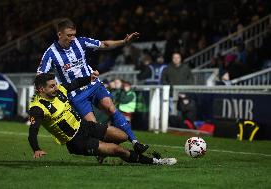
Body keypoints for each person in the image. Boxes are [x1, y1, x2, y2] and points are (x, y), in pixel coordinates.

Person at [37, 18, 148, 154]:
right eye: (69, 35)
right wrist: (47, 93)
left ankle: (135, 142)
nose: (72, 38)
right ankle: (106, 152)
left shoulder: (80, 42)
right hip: (76, 94)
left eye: (74, 35)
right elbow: (40, 75)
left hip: (93, 85)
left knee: (110, 107)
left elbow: (104, 45)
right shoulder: (50, 53)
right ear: (59, 35)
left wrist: (124, 41)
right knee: (94, 127)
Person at [28, 73, 176, 165]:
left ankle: (102, 152)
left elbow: (74, 83)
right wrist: (36, 149)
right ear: (41, 90)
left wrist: (89, 78)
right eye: (52, 86)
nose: (56, 87)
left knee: (122, 136)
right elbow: (33, 131)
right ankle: (156, 161)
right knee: (118, 150)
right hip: (76, 141)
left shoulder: (59, 90)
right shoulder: (37, 108)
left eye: (56, 84)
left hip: (84, 125)